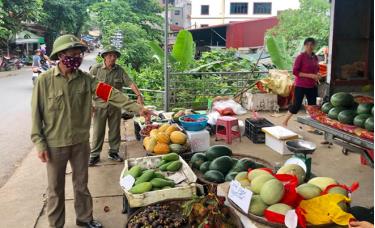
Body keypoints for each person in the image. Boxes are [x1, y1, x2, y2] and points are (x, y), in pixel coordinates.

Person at [31, 34, 150, 228]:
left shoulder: (86, 79)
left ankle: (84, 219)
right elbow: (36, 114)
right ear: (61, 55)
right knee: (55, 190)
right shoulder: (44, 81)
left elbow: (110, 93)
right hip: (55, 144)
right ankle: (55, 225)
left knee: (81, 184)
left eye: (79, 53)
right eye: (73, 53)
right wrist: (39, 142)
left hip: (80, 142)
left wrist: (137, 107)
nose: (77, 57)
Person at [89, 48, 144, 166]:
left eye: (114, 56)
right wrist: (89, 104)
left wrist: (138, 95)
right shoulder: (96, 69)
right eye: (110, 56)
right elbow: (86, 85)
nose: (113, 58)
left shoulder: (119, 70)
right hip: (99, 105)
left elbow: (130, 82)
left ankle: (113, 152)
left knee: (115, 130)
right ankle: (94, 155)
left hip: (115, 106)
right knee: (98, 131)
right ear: (104, 57)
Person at [283, 37, 321, 126]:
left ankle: (311, 126)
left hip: (312, 85)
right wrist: (310, 75)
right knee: (296, 105)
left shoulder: (315, 57)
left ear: (314, 46)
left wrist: (317, 75)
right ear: (304, 46)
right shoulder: (300, 57)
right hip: (300, 85)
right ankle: (285, 121)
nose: (310, 46)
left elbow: (317, 69)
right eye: (307, 44)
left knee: (313, 106)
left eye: (312, 44)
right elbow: (295, 72)